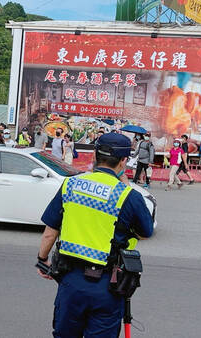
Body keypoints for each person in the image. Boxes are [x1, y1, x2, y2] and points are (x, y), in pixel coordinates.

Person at [36, 132, 154, 337]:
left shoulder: (70, 185)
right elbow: (146, 232)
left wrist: (42, 259)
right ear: (124, 161)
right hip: (108, 286)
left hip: (70, 281)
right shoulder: (128, 195)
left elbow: (50, 232)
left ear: (94, 156)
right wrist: (125, 183)